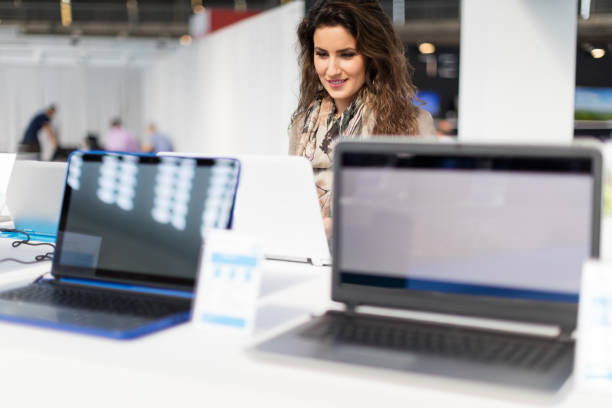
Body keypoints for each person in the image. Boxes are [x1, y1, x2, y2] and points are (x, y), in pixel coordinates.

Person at [288, 0, 435, 235]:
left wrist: (343, 227)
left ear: (372, 55)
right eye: (322, 54)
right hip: (307, 262)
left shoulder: (413, 123)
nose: (332, 69)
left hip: (375, 262)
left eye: (346, 55)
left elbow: (425, 215)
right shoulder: (302, 126)